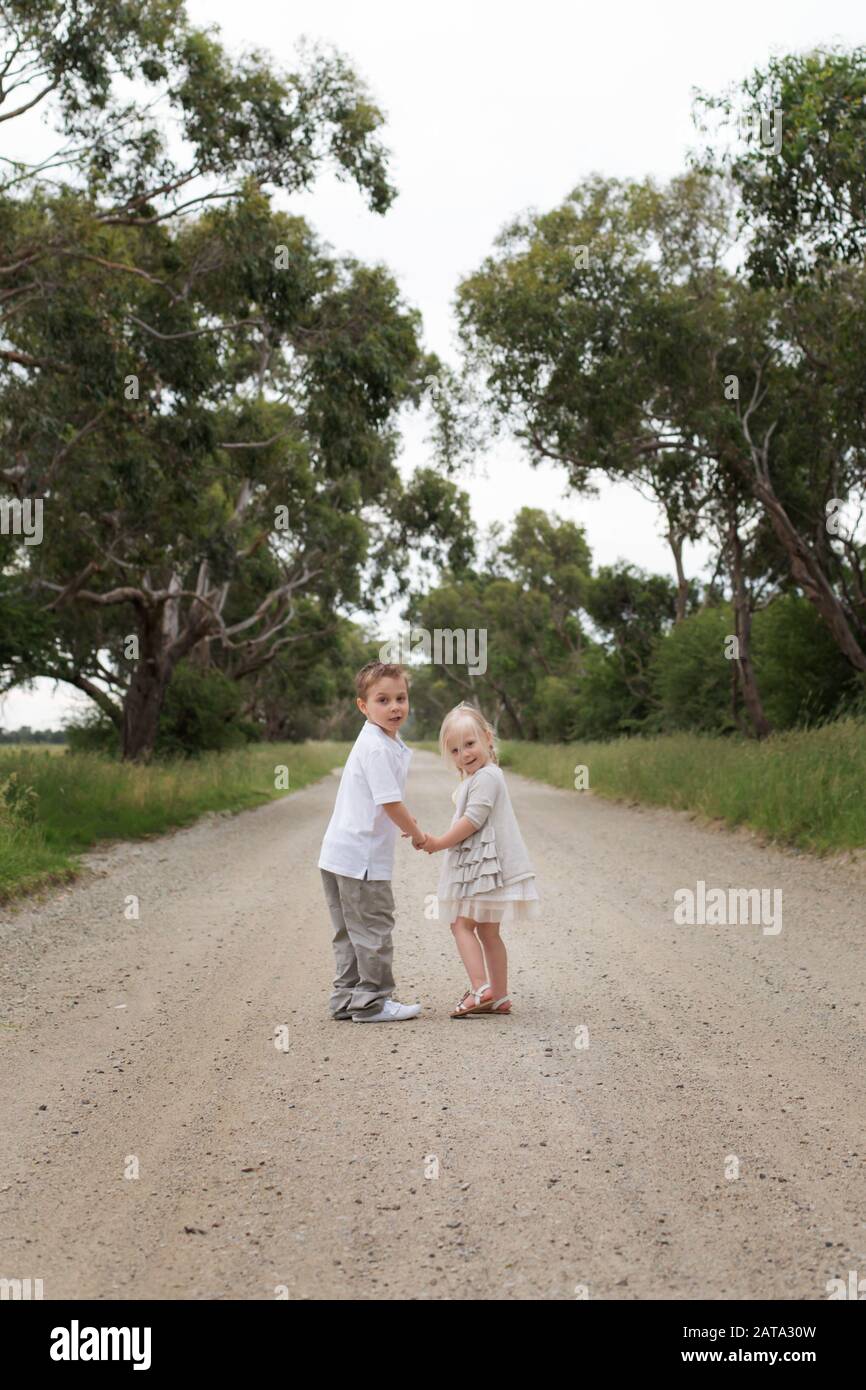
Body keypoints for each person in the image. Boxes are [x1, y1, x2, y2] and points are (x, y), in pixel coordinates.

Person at [318, 661, 427, 1023]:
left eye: (401, 698)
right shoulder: (377, 746)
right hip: (361, 859)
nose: (395, 707)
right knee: (374, 926)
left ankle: (346, 997)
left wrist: (398, 822)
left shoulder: (380, 740)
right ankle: (372, 1002)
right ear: (363, 706)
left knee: (350, 930)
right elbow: (390, 801)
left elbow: (379, 801)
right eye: (383, 700)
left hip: (339, 854)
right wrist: (416, 832)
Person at [423, 703, 540, 1017]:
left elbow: (472, 821)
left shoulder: (487, 777)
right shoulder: (479, 777)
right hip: (485, 870)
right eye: (456, 750)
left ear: (488, 738)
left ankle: (481, 988)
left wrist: (438, 842)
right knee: (488, 931)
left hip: (485, 869)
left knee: (461, 925)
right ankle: (499, 996)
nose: (465, 754)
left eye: (470, 744)